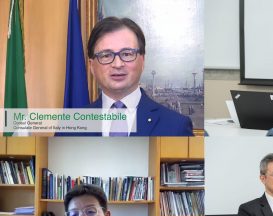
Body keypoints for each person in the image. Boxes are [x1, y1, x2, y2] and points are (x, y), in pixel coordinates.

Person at [62, 16, 193, 136]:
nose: (118, 64)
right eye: (106, 55)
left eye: (127, 54)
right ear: (92, 66)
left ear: (142, 61)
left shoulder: (176, 126)